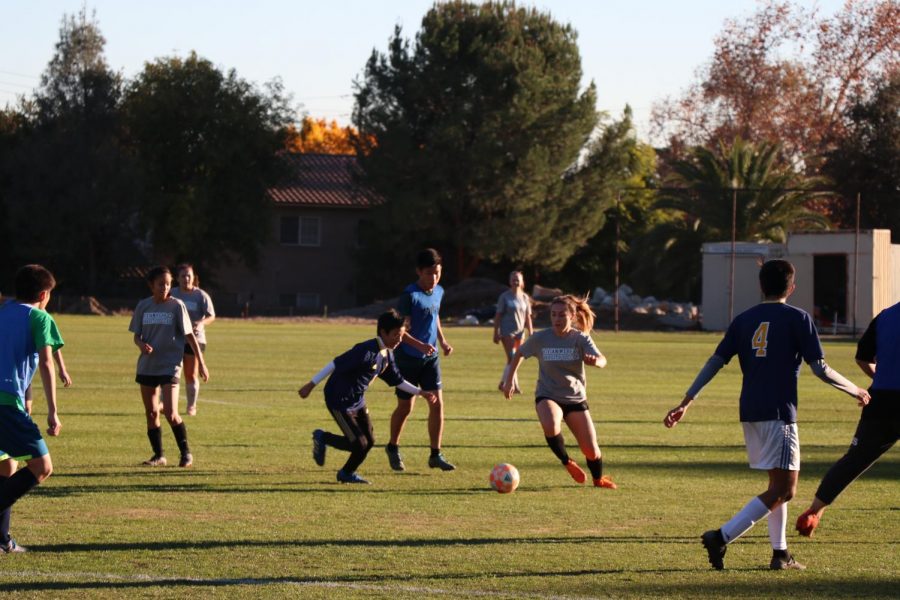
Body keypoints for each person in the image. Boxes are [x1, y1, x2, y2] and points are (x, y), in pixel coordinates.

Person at [663, 259, 870, 571]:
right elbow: (820, 368)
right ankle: (721, 536)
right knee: (785, 489)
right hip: (779, 412)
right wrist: (856, 389)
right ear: (792, 287)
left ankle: (781, 553)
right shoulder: (799, 318)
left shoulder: (744, 319)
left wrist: (686, 400)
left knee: (777, 484)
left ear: (761, 286)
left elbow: (715, 361)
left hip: (750, 410)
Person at [795, 300, 900, 537]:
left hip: (881, 400)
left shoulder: (885, 316)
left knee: (854, 460)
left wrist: (880, 378)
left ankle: (814, 511)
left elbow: (863, 357)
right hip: (884, 398)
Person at [298, 309, 437, 484]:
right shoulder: (365, 350)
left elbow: (398, 381)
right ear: (383, 332)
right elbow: (335, 363)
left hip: (357, 400)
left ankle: (346, 473)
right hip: (339, 399)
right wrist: (311, 385)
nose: (399, 340)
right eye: (396, 335)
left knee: (369, 441)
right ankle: (323, 439)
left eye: (401, 336)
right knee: (359, 443)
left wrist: (420, 392)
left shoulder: (387, 355)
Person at [501, 294, 617, 489]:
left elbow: (602, 359)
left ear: (572, 316)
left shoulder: (580, 338)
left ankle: (598, 480)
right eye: (553, 315)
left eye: (562, 315)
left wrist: (595, 361)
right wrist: (509, 379)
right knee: (550, 423)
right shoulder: (541, 337)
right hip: (548, 394)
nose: (557, 319)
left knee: (591, 451)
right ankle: (567, 462)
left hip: (575, 398)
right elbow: (520, 353)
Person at [0, 264, 65, 553]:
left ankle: (2, 540)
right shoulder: (39, 317)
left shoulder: (3, 311)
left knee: (6, 466)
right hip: (7, 403)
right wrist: (53, 410)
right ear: (43, 294)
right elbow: (47, 362)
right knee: (41, 467)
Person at [130, 266, 209, 468]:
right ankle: (159, 455)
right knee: (151, 413)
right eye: (160, 284)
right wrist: (141, 344)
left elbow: (190, 336)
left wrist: (201, 363)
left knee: (171, 412)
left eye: (167, 284)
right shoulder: (143, 306)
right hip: (147, 366)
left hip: (170, 365)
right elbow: (136, 335)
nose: (165, 287)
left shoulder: (176, 306)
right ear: (151, 285)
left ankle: (186, 453)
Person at [385, 248, 455, 472]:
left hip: (430, 359)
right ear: (418, 272)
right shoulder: (409, 296)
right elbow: (401, 332)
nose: (434, 278)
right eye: (429, 273)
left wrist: (442, 341)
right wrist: (421, 346)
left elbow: (435, 318)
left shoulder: (439, 291)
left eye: (437, 273)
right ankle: (393, 447)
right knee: (406, 407)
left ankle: (435, 454)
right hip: (407, 359)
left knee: (437, 404)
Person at [171, 263, 215, 416]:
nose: (186, 278)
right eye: (183, 276)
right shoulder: (172, 293)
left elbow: (211, 316)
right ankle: (166, 404)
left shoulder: (200, 296)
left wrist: (201, 322)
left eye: (189, 275)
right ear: (177, 278)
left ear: (193, 277)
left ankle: (191, 406)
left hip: (195, 340)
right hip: (175, 338)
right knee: (170, 372)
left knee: (190, 374)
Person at [493, 271, 533, 394]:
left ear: (522, 282)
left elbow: (528, 316)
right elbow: (498, 315)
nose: (515, 282)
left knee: (516, 359)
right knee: (512, 357)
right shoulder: (504, 297)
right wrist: (496, 332)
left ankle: (503, 382)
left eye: (517, 279)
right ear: (510, 282)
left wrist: (531, 332)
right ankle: (514, 386)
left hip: (520, 333)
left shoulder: (525, 297)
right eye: (513, 279)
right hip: (507, 332)